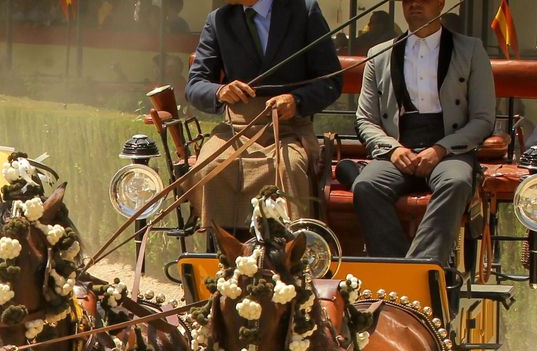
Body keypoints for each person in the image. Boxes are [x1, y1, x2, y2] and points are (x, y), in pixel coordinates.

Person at [352, 0, 494, 263]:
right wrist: (392, 149)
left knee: (456, 182)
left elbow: (483, 119)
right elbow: (365, 119)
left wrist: (441, 149)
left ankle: (421, 268)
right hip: (398, 150)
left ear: (441, 3)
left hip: (450, 150)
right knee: (366, 185)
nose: (415, 4)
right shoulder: (379, 54)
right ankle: (396, 270)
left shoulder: (471, 50)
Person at [184, 0, 344, 231]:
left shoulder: (304, 10)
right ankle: (222, 247)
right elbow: (195, 85)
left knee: (288, 167)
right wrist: (219, 91)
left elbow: (332, 80)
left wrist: (296, 101)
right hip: (236, 129)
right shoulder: (218, 20)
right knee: (209, 168)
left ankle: (292, 247)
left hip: (288, 128)